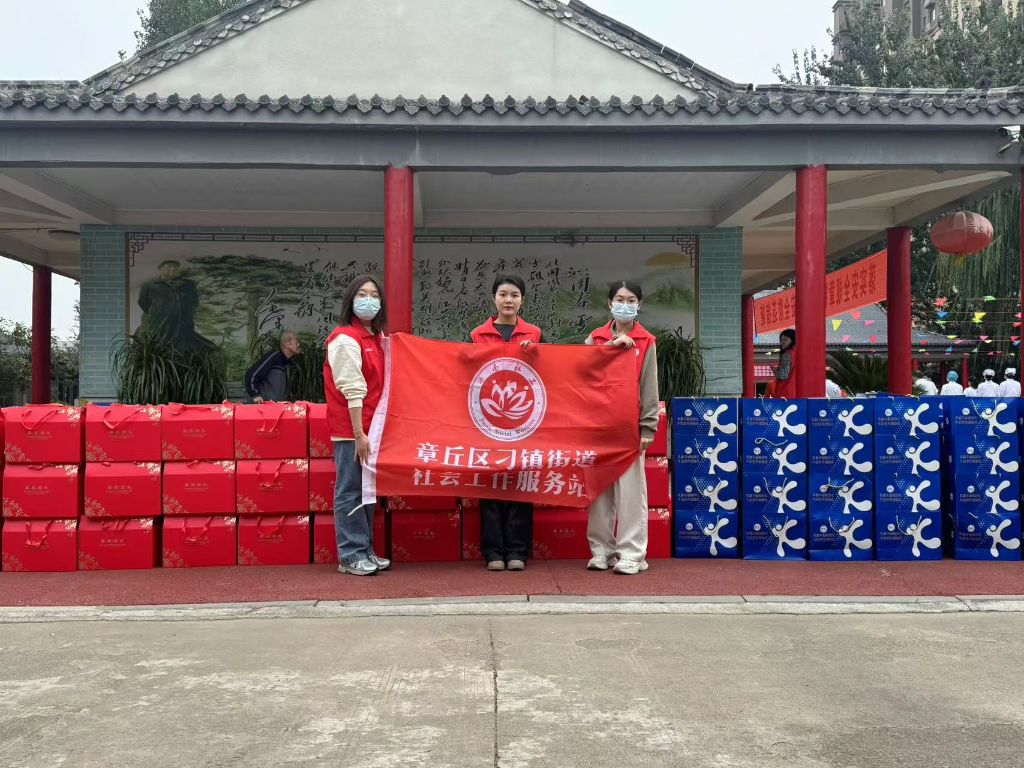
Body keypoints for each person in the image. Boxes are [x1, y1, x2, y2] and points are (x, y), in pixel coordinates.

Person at [469, 275, 544, 572]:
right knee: (490, 484)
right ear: (494, 298)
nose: (508, 300)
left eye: (514, 294)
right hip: (486, 418)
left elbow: (548, 372)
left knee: (520, 483)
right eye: (503, 294)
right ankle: (493, 552)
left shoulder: (534, 334)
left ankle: (517, 551)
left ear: (522, 300)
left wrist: (536, 354)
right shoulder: (478, 335)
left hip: (524, 418)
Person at [584, 280, 659, 576]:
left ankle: (631, 553)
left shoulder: (646, 341)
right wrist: (610, 348)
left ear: (639, 305)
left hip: (629, 428)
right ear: (609, 303)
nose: (624, 305)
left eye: (630, 300)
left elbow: (649, 386)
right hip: (598, 427)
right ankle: (601, 550)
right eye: (619, 299)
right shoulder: (595, 338)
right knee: (599, 492)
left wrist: (648, 427)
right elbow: (584, 372)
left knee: (630, 494)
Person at [324, 275, 389, 576]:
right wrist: (358, 434)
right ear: (350, 300)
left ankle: (365, 550)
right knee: (350, 490)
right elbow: (352, 389)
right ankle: (350, 554)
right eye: (362, 294)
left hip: (372, 428)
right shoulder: (345, 339)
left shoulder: (375, 337)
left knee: (367, 491)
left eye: (374, 295)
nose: (368, 300)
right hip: (352, 431)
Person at [136, 259, 215, 351]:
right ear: (160, 269)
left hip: (183, 320)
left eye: (175, 267)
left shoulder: (188, 284)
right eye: (169, 266)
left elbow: (194, 302)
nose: (173, 268)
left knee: (185, 344)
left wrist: (186, 312)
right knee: (159, 343)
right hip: (159, 321)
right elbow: (143, 302)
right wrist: (158, 311)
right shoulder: (149, 285)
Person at [244, 331, 301, 403]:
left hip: (275, 407)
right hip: (262, 407)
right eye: (297, 342)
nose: (299, 345)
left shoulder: (288, 362)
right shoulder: (274, 356)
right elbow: (251, 374)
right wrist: (254, 395)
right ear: (287, 344)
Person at [769, 329, 797, 399]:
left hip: (785, 393)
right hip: (796, 392)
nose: (782, 342)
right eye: (781, 339)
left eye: (785, 340)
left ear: (793, 340)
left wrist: (774, 369)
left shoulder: (787, 354)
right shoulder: (798, 352)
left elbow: (782, 375)